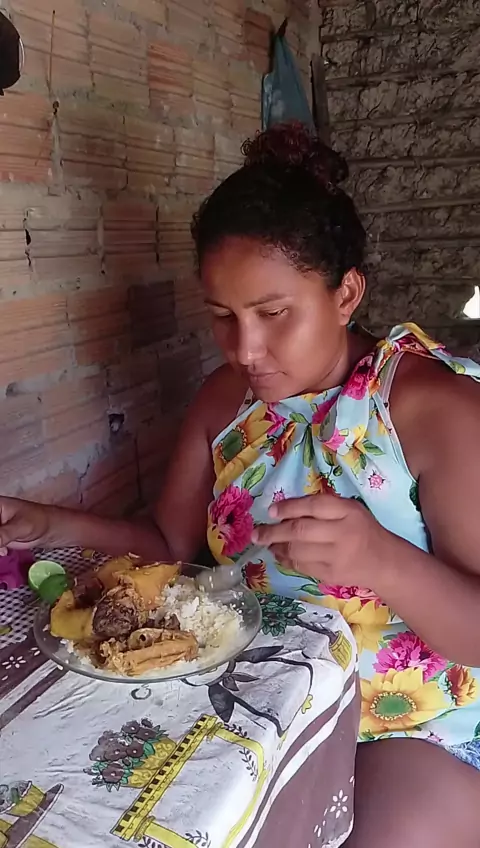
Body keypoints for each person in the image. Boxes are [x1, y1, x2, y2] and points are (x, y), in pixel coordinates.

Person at [2, 122, 480, 845]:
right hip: (253, 698)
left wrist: (382, 559)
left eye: (272, 313)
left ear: (346, 293)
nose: (246, 350)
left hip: (408, 721)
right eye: (223, 317)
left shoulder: (433, 408)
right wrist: (51, 524)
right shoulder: (225, 403)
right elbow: (167, 543)